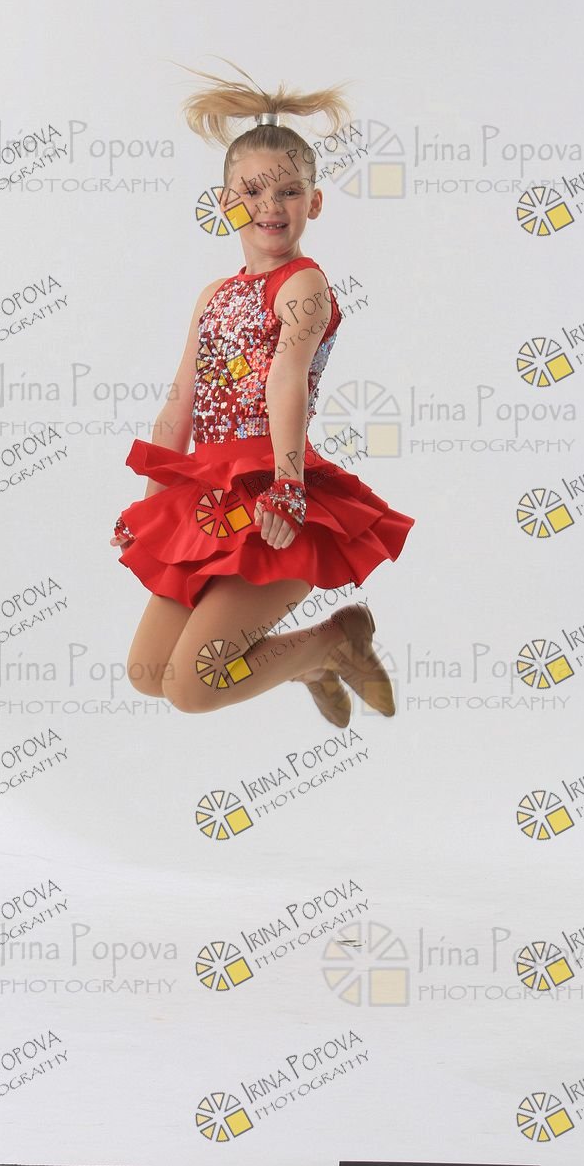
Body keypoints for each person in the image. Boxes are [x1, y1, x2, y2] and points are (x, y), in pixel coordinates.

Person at [109, 58, 414, 724]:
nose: (271, 206)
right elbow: (179, 406)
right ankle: (312, 660)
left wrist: (288, 484)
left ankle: (331, 641)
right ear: (226, 203)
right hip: (208, 500)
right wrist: (147, 514)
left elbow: (285, 381)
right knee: (148, 674)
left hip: (275, 493)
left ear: (314, 202)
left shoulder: (302, 284)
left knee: (192, 687)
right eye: (253, 191)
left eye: (289, 192)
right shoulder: (214, 295)